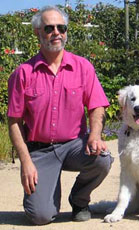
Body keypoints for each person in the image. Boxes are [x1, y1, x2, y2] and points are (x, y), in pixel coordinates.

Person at [7, 5, 113, 225]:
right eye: (49, 28)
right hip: (40, 150)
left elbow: (97, 106)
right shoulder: (23, 74)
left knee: (102, 159)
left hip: (75, 145)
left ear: (66, 31)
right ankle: (44, 195)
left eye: (61, 27)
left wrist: (94, 135)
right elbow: (14, 122)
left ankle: (79, 199)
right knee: (41, 216)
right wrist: (25, 161)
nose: (56, 32)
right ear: (38, 32)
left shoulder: (83, 67)